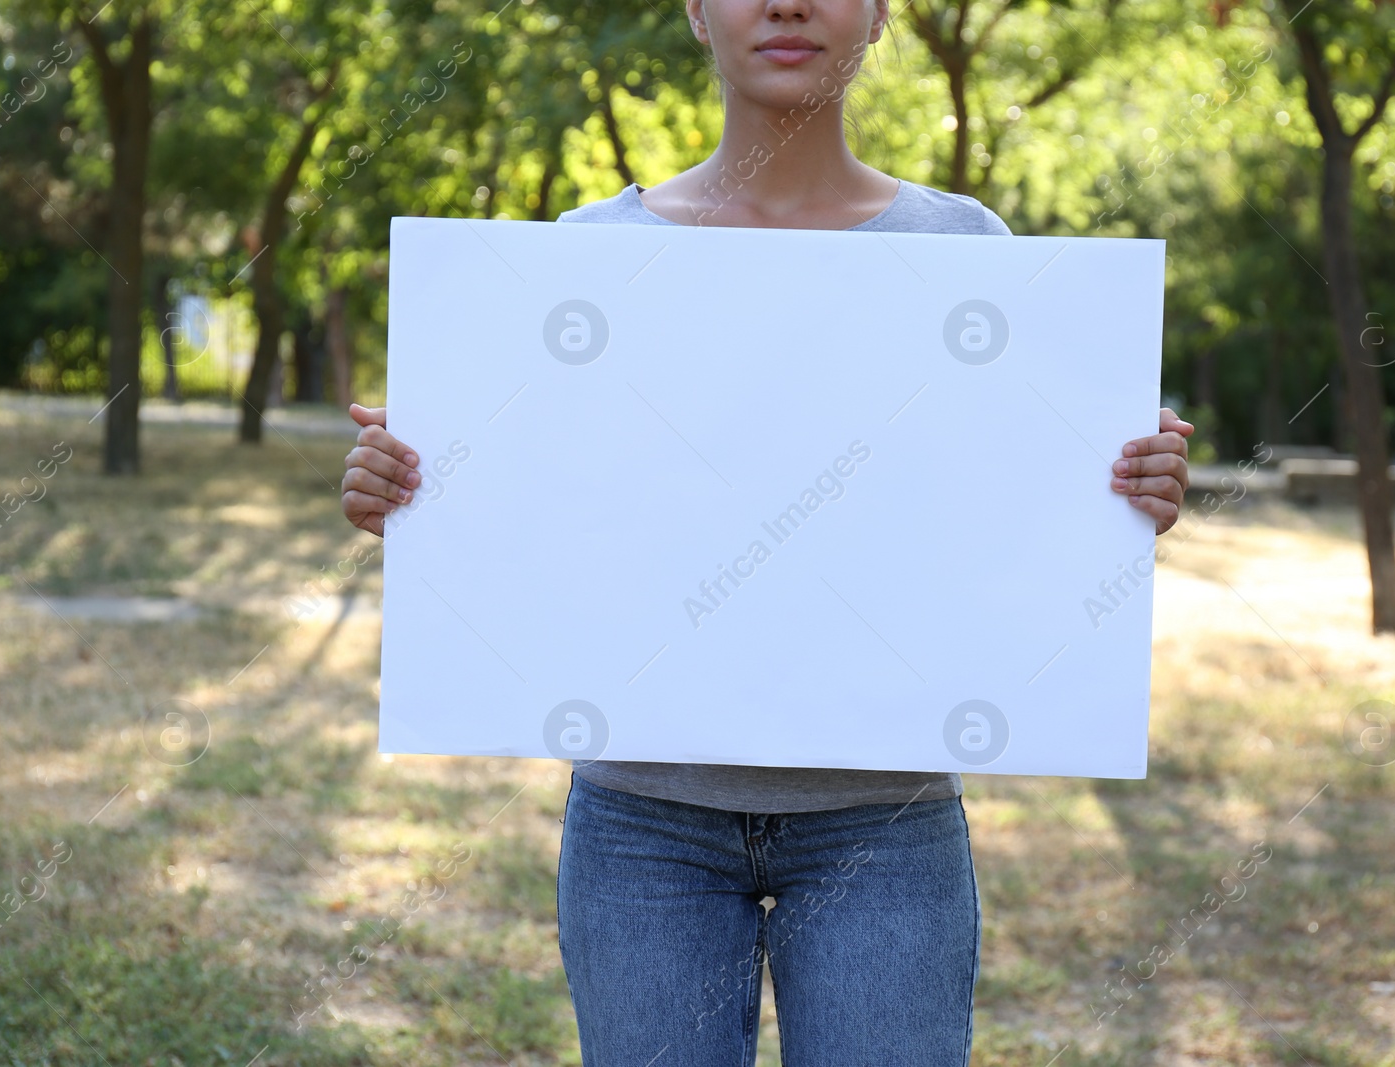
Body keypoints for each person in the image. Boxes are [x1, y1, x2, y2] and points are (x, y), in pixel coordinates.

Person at [341, 0, 1193, 1062]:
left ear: (880, 12)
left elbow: (1006, 527)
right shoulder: (580, 258)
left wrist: (1121, 491)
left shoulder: (968, 251)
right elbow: (539, 527)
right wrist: (414, 496)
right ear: (696, 10)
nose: (787, 3)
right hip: (640, 819)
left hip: (886, 823)